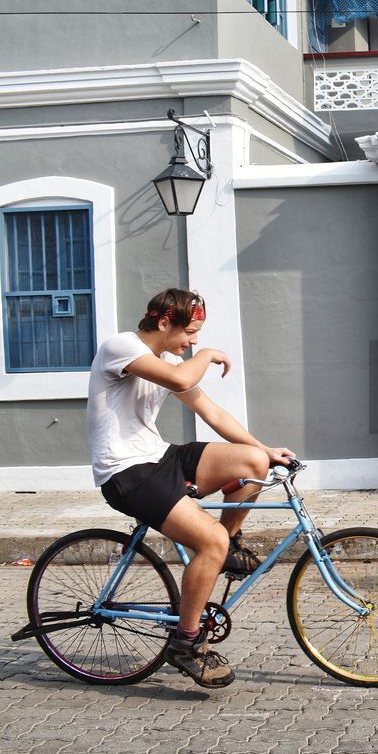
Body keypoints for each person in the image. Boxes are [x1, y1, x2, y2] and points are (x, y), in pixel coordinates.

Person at [86, 289, 295, 688]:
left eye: (197, 336)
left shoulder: (170, 360)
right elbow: (185, 375)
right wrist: (207, 355)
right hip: (126, 472)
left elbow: (211, 412)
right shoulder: (120, 347)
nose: (193, 341)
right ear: (165, 323)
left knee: (252, 462)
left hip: (159, 456)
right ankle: (186, 643)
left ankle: (226, 547)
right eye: (190, 332)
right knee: (209, 541)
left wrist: (266, 449)